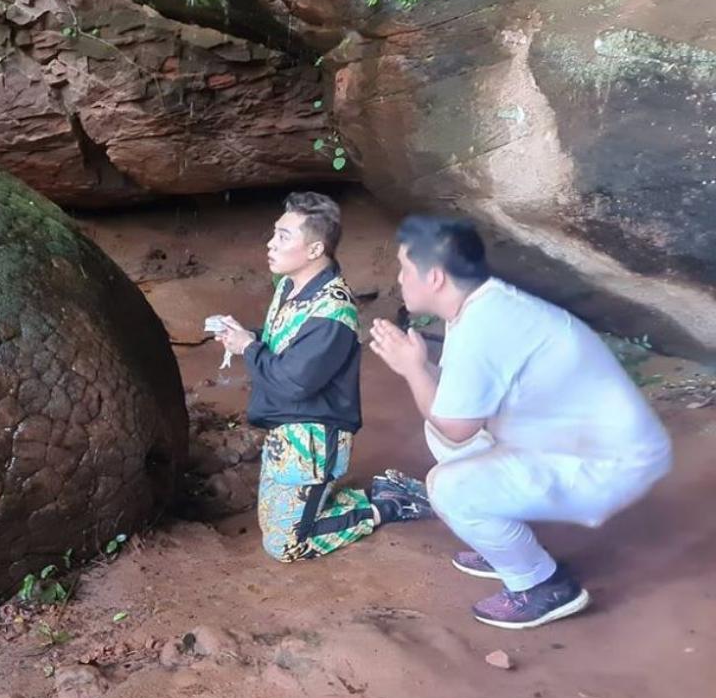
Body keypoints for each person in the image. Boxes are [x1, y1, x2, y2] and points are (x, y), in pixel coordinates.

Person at [369, 215, 672, 629]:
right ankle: (505, 544)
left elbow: (455, 427)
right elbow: (458, 406)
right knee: (442, 434)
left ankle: (542, 585)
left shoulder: (482, 327)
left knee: (449, 486)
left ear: (435, 277)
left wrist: (412, 369)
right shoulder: (482, 305)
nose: (400, 278)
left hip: (608, 466)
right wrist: (419, 367)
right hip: (581, 441)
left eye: (405, 268)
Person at [217, 192, 434, 564]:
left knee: (284, 545)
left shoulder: (332, 311)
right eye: (274, 233)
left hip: (312, 439)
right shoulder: (290, 286)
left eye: (283, 236)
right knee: (274, 518)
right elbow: (287, 343)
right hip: (287, 428)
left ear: (315, 249)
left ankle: (385, 506)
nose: (270, 243)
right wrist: (248, 336)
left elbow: (294, 383)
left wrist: (247, 347)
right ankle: (370, 490)